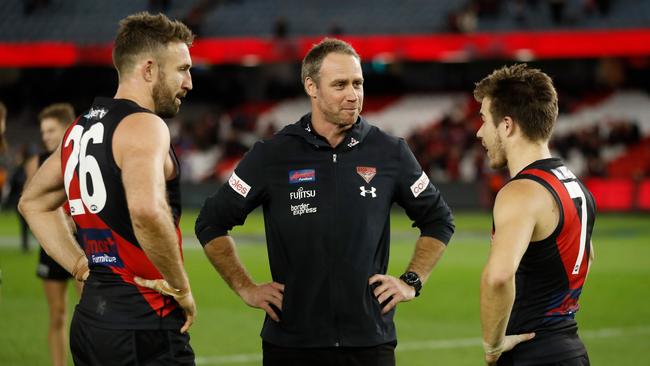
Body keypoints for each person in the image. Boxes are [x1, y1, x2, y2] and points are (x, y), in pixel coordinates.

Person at [195, 38, 455, 366]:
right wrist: (246, 288)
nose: (353, 94)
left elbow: (439, 219)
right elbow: (210, 222)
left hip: (369, 344)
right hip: (291, 345)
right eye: (340, 85)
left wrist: (412, 281)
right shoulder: (273, 154)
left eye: (358, 83)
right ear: (312, 87)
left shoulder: (391, 152)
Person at [19, 12, 197, 365]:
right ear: (148, 70)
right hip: (145, 322)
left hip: (90, 322)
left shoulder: (79, 129)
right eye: (182, 69)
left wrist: (81, 266)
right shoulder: (146, 125)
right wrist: (181, 287)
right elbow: (147, 210)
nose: (189, 82)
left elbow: (32, 201)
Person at [474, 64, 595, 366]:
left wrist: (492, 346)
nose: (479, 132)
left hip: (531, 355)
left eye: (483, 120)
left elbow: (498, 277)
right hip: (571, 348)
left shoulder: (521, 192)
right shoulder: (573, 184)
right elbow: (586, 256)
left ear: (506, 125)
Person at [24, 103, 82, 366]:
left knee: (88, 312)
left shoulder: (83, 155)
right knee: (57, 314)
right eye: (43, 131)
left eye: (51, 130)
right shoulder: (36, 162)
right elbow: (31, 203)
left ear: (66, 129)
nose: (45, 136)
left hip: (83, 241)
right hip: (52, 243)